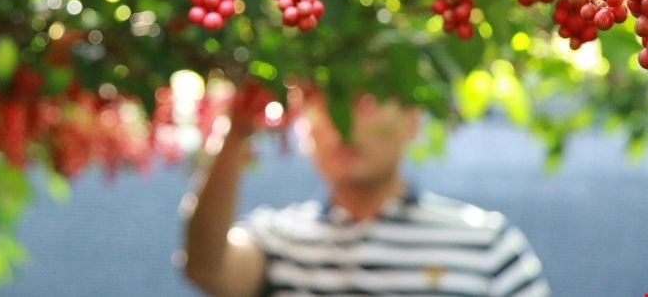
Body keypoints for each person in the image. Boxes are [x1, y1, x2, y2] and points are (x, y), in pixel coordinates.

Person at [181, 84, 551, 296]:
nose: (345, 126)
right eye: (326, 105)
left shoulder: (485, 242)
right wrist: (234, 133)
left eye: (367, 104)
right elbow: (206, 267)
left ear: (412, 121)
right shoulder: (278, 240)